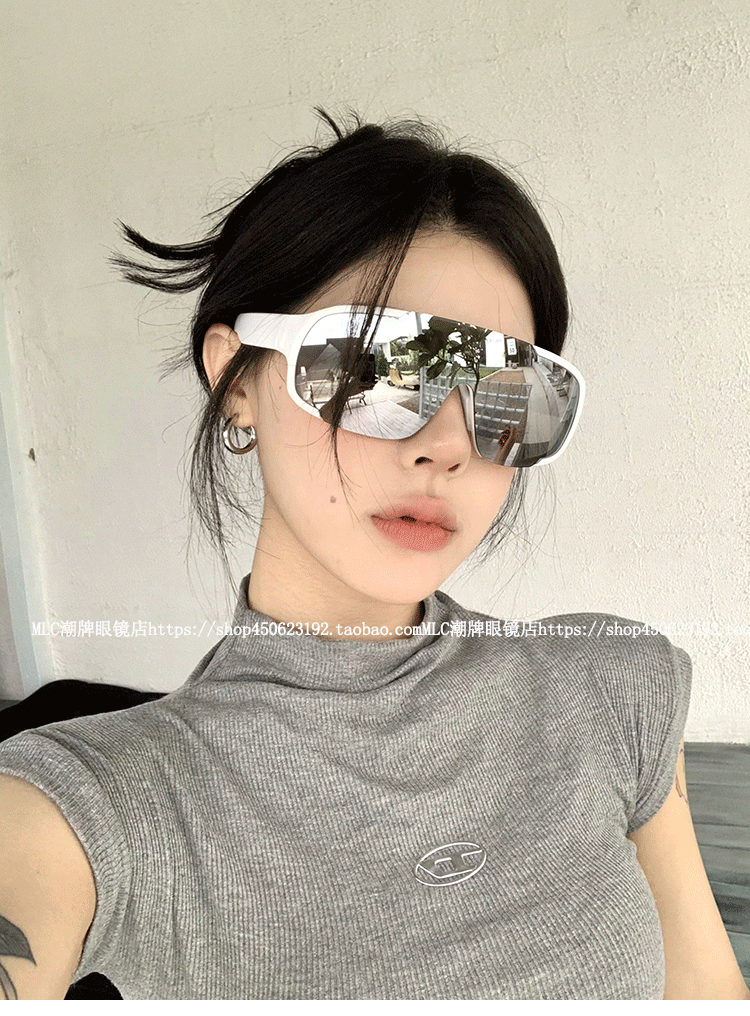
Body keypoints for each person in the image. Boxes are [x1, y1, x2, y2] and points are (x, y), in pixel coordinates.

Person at [0, 109, 744, 1001]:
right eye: (379, 370)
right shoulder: (100, 805)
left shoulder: (614, 685)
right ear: (236, 378)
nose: (448, 445)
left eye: (507, 393)